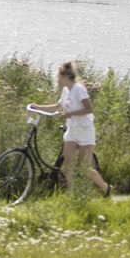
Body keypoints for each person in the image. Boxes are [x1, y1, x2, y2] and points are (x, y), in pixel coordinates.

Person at [30, 60, 110, 196]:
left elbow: (89, 109)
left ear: (66, 75)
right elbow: (57, 107)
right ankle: (72, 195)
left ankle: (105, 188)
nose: (57, 79)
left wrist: (69, 114)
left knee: (83, 168)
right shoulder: (65, 91)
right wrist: (37, 107)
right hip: (72, 130)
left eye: (58, 77)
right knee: (68, 163)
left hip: (85, 131)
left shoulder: (79, 89)